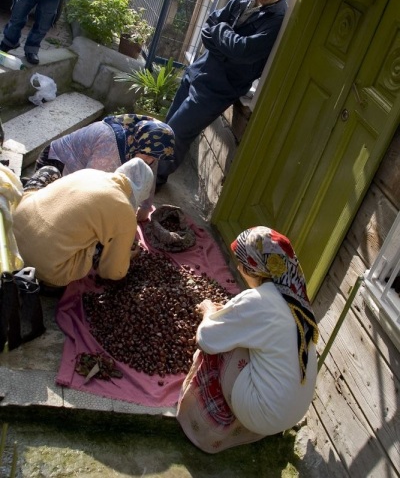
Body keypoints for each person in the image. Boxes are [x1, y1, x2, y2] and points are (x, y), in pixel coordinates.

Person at [176, 225, 319, 454]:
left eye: (242, 264)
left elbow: (206, 338)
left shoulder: (258, 301)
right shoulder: (297, 300)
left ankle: (205, 426)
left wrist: (208, 310)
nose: (239, 269)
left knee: (222, 348)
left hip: (260, 413)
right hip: (288, 414)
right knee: (239, 336)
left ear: (255, 268)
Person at [157, 0, 291, 187]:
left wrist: (221, 32)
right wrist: (224, 40)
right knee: (166, 129)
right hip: (197, 72)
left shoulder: (277, 20)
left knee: (178, 134)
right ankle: (143, 174)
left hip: (217, 89)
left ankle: (152, 183)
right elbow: (209, 25)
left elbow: (243, 50)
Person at [12, 158, 153, 288]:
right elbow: (112, 273)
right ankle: (48, 283)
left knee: (51, 171)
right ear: (140, 193)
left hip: (11, 232)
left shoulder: (90, 173)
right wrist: (126, 256)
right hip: (44, 267)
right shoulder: (125, 213)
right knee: (103, 245)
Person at [34, 114, 175, 221]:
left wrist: (145, 209)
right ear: (139, 142)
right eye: (147, 156)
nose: (149, 160)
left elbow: (149, 177)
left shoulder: (146, 146)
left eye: (154, 158)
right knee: (51, 211)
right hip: (56, 162)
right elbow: (89, 189)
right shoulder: (111, 146)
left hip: (84, 168)